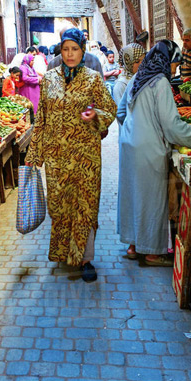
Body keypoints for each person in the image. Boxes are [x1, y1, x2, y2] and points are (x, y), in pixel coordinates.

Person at [25, 28, 117, 282]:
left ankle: (86, 259)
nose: (69, 54)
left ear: (82, 50)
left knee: (85, 204)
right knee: (60, 205)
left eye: (74, 49)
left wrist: (95, 116)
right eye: (65, 49)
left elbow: (110, 110)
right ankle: (65, 253)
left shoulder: (93, 79)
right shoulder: (50, 78)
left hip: (85, 156)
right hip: (56, 158)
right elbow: (41, 117)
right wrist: (35, 153)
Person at [117, 40, 191, 266]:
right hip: (149, 149)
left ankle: (133, 246)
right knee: (152, 200)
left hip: (129, 146)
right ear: (166, 61)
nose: (175, 69)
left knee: (134, 196)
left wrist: (135, 128)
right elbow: (171, 125)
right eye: (175, 64)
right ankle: (152, 253)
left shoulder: (138, 77)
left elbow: (120, 112)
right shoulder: (160, 82)